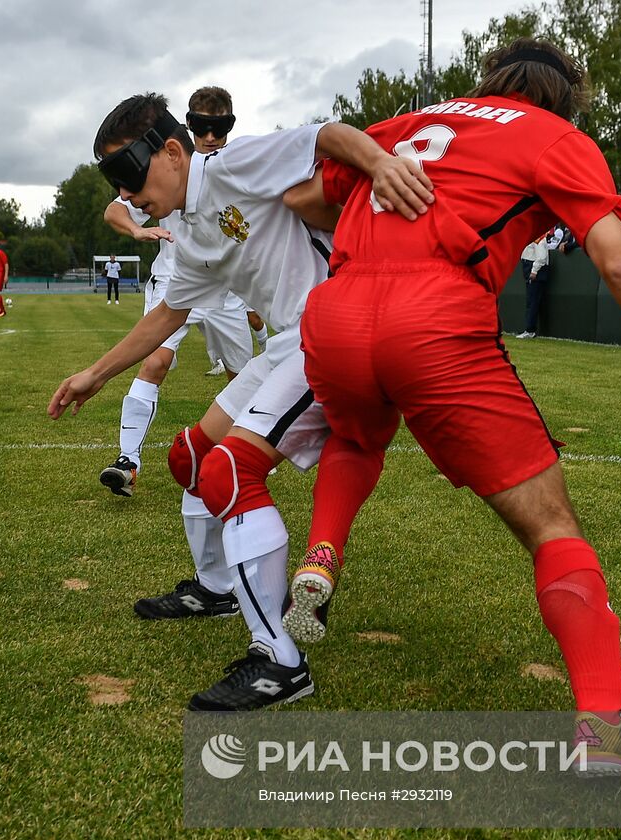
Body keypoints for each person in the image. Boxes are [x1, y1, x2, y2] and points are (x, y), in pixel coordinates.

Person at [284, 37, 621, 772]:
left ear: (491, 80)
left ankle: (321, 555)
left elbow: (303, 199)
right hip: (434, 318)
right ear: (566, 96)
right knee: (552, 525)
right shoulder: (555, 138)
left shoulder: (410, 122)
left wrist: (374, 181)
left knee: (357, 435)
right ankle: (607, 736)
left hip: (335, 312)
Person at [50, 92, 433, 711]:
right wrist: (97, 372)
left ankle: (279, 658)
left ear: (173, 151)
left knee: (230, 469)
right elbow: (169, 313)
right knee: (190, 459)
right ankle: (218, 586)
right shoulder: (191, 231)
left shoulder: (231, 166)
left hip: (330, 334)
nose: (126, 196)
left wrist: (381, 163)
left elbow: (327, 134)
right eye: (115, 184)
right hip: (288, 345)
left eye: (130, 177)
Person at [97, 86, 260, 498]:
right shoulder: (161, 175)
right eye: (201, 126)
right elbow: (116, 208)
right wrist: (136, 228)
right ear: (187, 129)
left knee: (242, 375)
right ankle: (127, 460)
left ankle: (244, 451)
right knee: (156, 361)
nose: (209, 135)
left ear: (230, 127)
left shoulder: (240, 166)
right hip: (176, 282)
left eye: (219, 127)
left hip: (227, 288)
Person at [517, 231, 550, 338]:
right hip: (528, 266)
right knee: (531, 301)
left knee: (533, 302)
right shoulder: (531, 236)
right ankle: (529, 328)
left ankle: (530, 330)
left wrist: (534, 270)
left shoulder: (539, 238)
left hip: (535, 270)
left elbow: (541, 257)